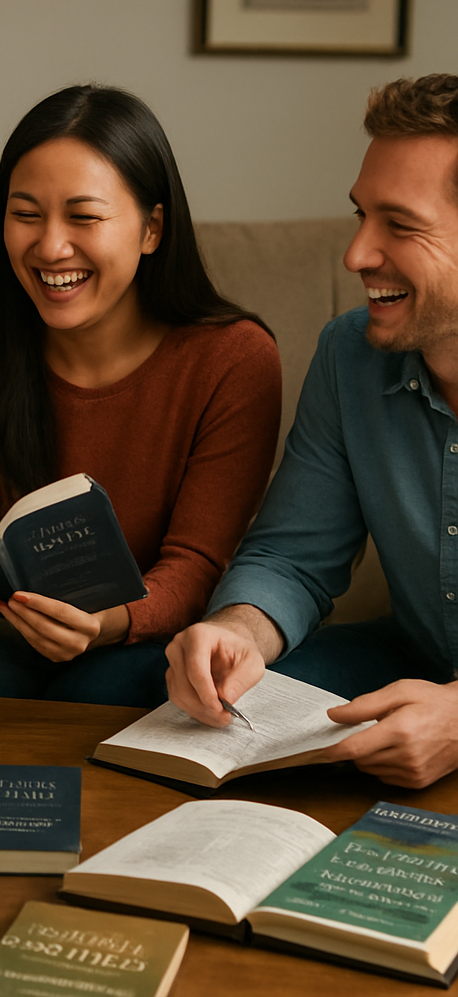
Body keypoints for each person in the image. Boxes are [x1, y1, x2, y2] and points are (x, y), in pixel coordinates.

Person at [0, 85, 281, 704]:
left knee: (111, 687)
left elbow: (197, 562)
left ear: (152, 228)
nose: (51, 247)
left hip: (143, 639)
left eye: (84, 217)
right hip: (1, 639)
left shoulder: (234, 359)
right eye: (26, 214)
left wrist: (109, 624)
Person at [165, 73, 458, 789]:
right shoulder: (349, 355)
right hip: (412, 662)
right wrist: (237, 631)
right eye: (361, 215)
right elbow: (294, 558)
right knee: (207, 709)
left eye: (400, 224)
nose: (357, 254)